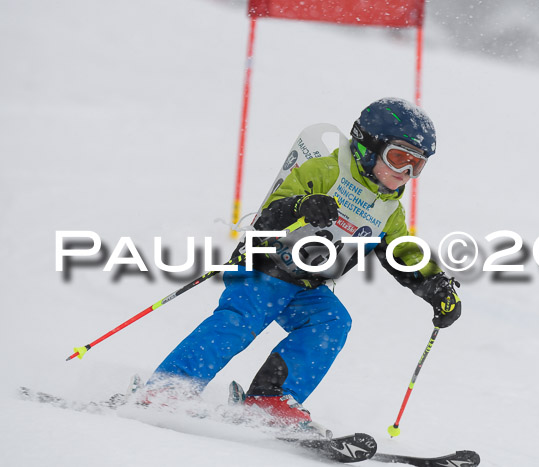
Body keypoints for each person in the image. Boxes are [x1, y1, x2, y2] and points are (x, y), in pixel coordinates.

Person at [145, 97, 462, 428]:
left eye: (417, 165)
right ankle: (169, 389)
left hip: (308, 286)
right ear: (368, 146)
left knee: (331, 322)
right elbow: (270, 215)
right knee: (238, 323)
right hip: (263, 269)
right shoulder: (326, 171)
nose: (406, 173)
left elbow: (403, 253)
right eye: (398, 158)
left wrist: (435, 285)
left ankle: (268, 398)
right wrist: (303, 205)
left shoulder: (388, 211)